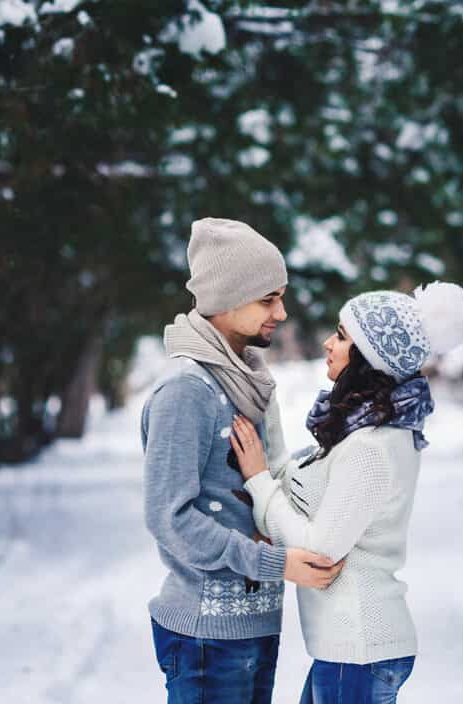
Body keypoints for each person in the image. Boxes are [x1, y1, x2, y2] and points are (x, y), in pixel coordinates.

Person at [230, 279, 463, 704]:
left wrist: (258, 481)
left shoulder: (371, 447)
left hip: (359, 648)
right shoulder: (360, 433)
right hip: (350, 651)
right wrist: (263, 404)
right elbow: (298, 484)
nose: (328, 343)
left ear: (370, 356)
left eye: (341, 336)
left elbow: (318, 550)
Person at [141, 217, 343, 704]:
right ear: (227, 298)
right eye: (267, 299)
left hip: (252, 623)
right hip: (207, 634)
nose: (282, 311)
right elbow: (170, 518)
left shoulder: (246, 381)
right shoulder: (187, 391)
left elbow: (261, 479)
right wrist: (273, 561)